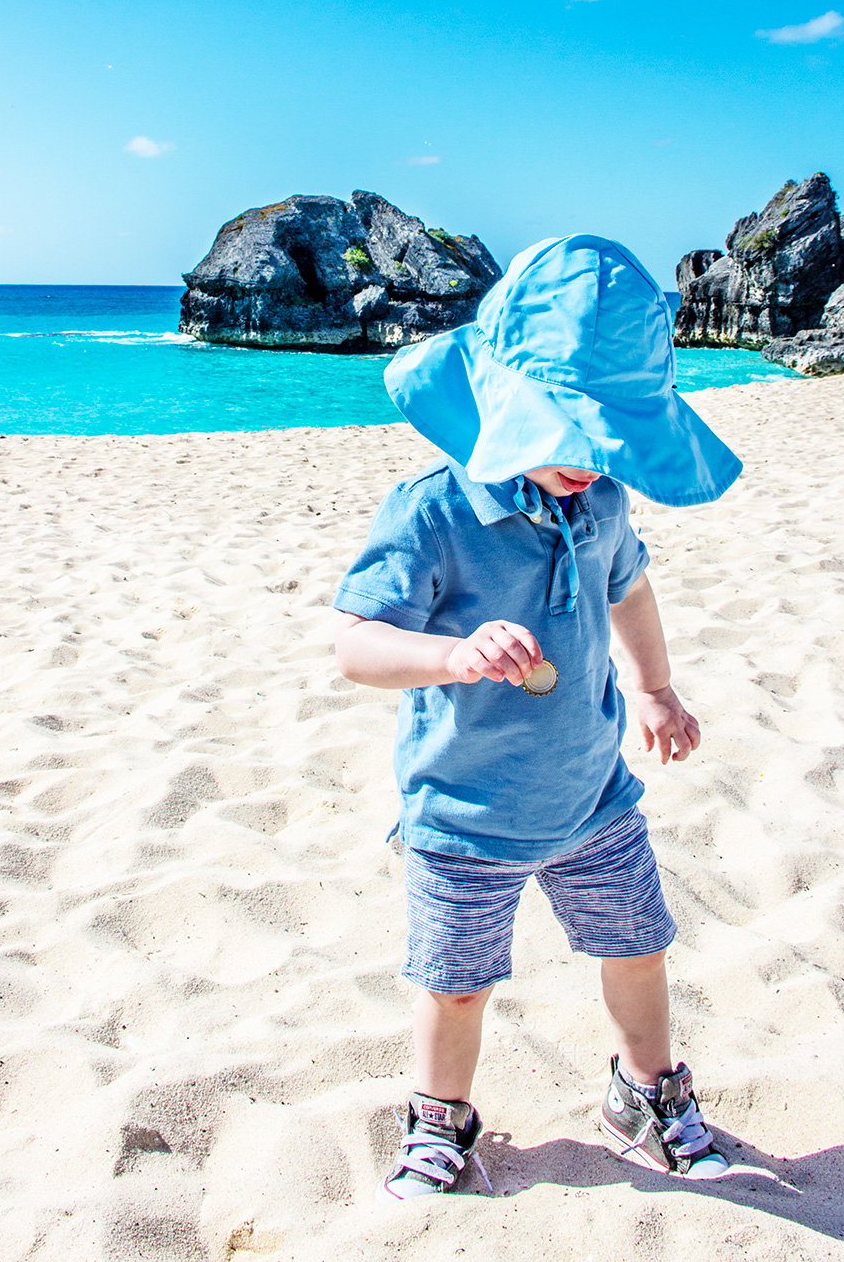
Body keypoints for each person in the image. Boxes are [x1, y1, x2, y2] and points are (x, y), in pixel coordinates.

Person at [333, 233, 744, 1204]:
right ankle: (440, 1122)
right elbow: (354, 642)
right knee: (457, 984)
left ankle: (645, 1092)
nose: (590, 459)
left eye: (607, 436)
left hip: (593, 796)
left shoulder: (599, 502)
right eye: (568, 427)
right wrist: (450, 655)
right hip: (465, 812)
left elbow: (630, 592)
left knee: (638, 950)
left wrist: (654, 689)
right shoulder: (433, 509)